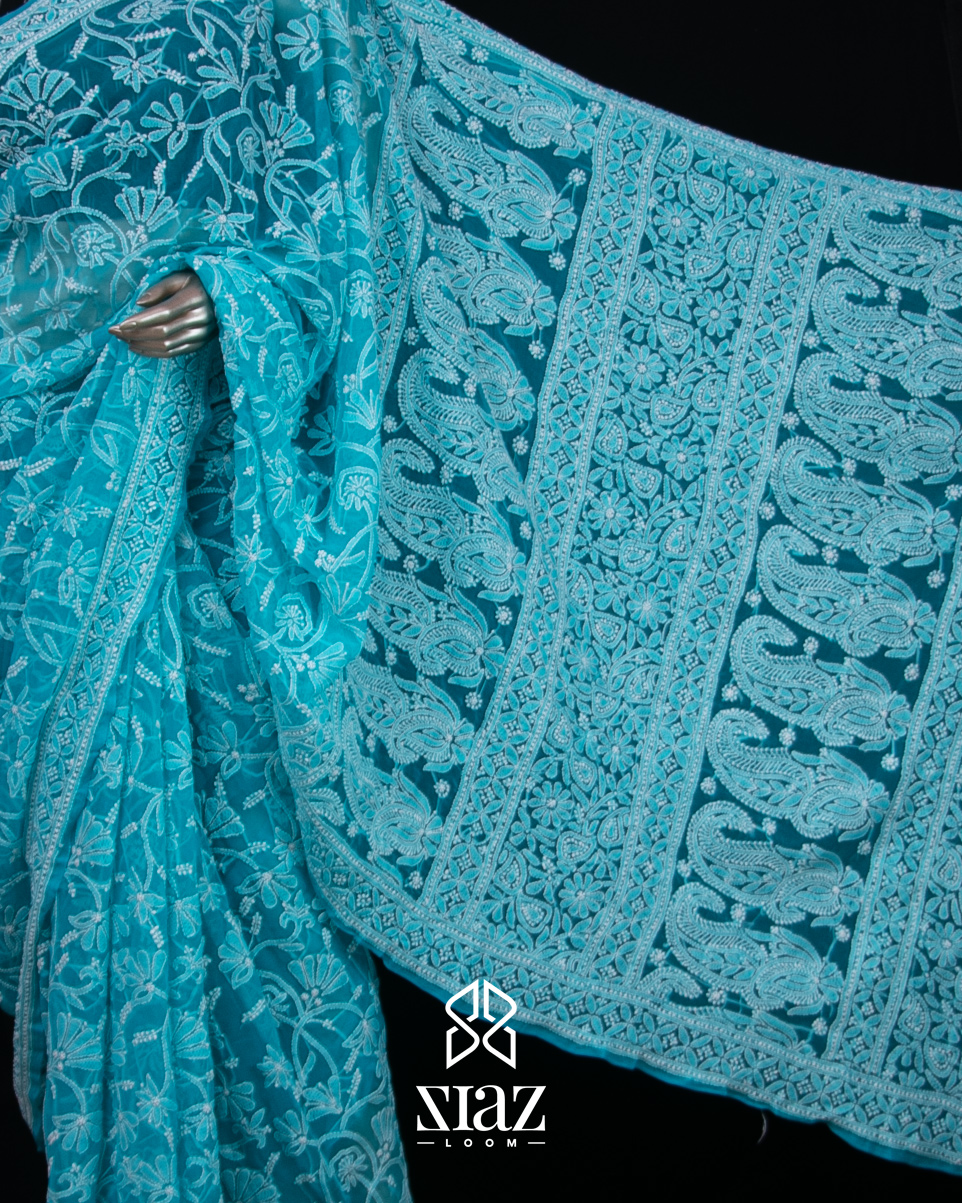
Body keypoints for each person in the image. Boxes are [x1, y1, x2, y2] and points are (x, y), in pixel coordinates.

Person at [2, 2, 962, 1200]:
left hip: (261, 571)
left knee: (469, 1087)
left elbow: (350, 217)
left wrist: (235, 304)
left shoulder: (305, 26)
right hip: (87, 546)